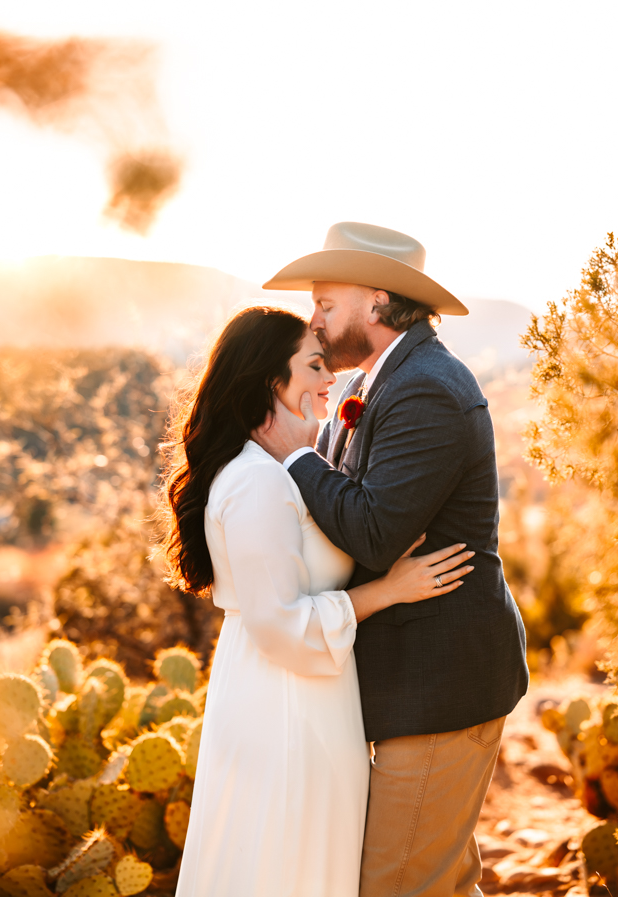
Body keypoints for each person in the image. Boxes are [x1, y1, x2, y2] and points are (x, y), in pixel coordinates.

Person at [256, 221, 529, 897]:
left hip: (439, 684)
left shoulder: (425, 388)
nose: (312, 322)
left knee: (397, 883)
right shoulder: (391, 380)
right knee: (435, 877)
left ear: (376, 301)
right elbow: (365, 519)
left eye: (324, 303)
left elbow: (374, 532)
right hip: (415, 682)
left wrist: (292, 452)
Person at [163, 304, 474, 897]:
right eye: (313, 365)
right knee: (287, 862)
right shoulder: (256, 481)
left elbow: (308, 572)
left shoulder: (278, 470)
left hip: (308, 694)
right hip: (285, 702)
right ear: (269, 383)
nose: (330, 375)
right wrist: (387, 591)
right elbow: (281, 624)